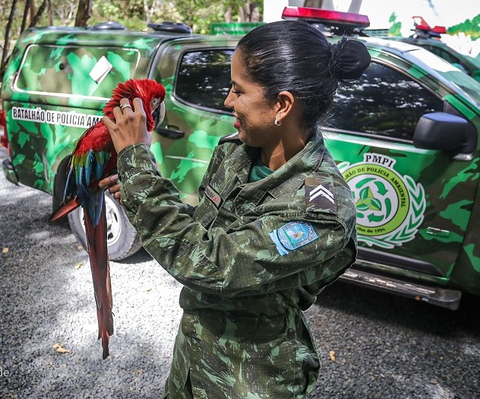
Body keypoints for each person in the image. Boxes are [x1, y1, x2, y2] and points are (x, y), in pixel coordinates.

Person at [101, 20, 370, 399]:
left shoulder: (321, 209)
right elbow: (204, 231)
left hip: (252, 378)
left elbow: (212, 263)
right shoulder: (235, 151)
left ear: (282, 105)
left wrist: (137, 161)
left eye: (238, 90)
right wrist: (139, 192)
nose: (227, 101)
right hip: (193, 360)